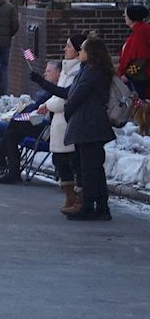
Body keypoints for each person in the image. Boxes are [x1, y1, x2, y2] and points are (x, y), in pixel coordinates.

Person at [33, 36, 116, 221]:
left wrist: (68, 110)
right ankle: (101, 207)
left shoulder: (92, 71)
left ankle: (88, 206)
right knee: (93, 168)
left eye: (83, 49)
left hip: (89, 125)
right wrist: (43, 82)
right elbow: (68, 92)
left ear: (91, 52)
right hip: (87, 124)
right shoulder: (88, 69)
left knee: (89, 169)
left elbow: (75, 95)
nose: (80, 52)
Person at [45, 35, 86, 214]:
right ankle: (69, 196)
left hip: (68, 123)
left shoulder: (77, 72)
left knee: (72, 162)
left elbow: (64, 99)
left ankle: (78, 198)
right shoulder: (65, 70)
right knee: (60, 161)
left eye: (68, 46)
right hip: (58, 123)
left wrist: (47, 106)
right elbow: (57, 94)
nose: (65, 49)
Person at [117, 3, 149, 99]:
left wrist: (128, 76)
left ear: (132, 17)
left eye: (125, 14)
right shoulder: (140, 30)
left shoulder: (141, 32)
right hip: (137, 77)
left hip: (138, 78)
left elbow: (141, 59)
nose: (124, 16)